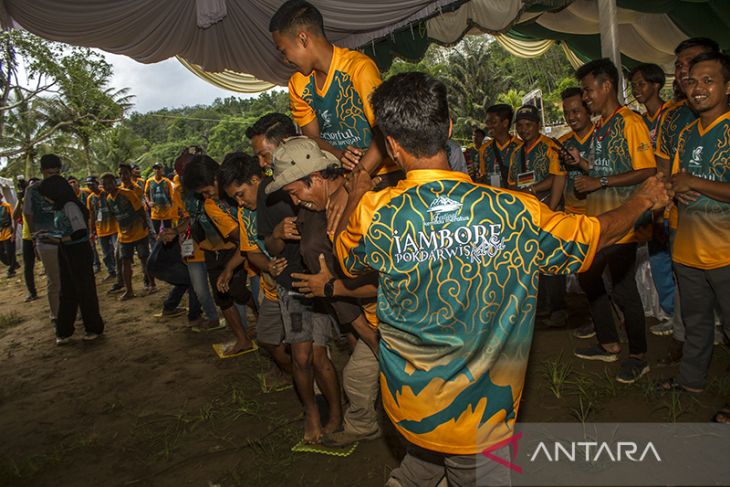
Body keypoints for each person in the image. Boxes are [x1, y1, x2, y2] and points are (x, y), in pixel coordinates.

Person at [333, 71, 670, 486]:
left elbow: (347, 262)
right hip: (482, 417)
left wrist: (355, 189)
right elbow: (593, 236)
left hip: (409, 404)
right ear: (450, 129)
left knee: (423, 461)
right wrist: (644, 200)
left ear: (392, 145)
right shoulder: (517, 212)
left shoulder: (375, 212)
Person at [273, 136, 382, 446]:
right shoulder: (312, 214)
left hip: (402, 311)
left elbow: (388, 277)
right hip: (372, 318)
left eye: (297, 192)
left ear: (317, 177)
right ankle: (364, 426)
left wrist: (357, 190)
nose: (296, 203)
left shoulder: (366, 194)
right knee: (356, 378)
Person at [247, 113, 340, 444]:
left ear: (287, 147)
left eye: (264, 155)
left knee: (323, 355)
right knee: (302, 356)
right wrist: (276, 234)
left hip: (330, 280)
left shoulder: (322, 179)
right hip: (294, 285)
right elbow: (268, 246)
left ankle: (340, 415)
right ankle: (312, 414)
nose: (261, 163)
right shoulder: (267, 192)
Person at [569, 58, 656, 384]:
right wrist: (585, 166)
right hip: (600, 221)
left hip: (624, 220)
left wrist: (600, 183)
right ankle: (608, 341)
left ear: (607, 86)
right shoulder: (602, 126)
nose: (586, 97)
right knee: (588, 276)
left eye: (589, 90)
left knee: (623, 290)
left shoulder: (629, 122)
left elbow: (647, 169)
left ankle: (639, 356)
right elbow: (604, 167)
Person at [658, 52, 730, 406]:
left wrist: (694, 183)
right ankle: (691, 383)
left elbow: (691, 180)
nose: (697, 88)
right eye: (692, 81)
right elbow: (674, 182)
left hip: (726, 253)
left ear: (728, 86)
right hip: (687, 251)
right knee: (697, 323)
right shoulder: (686, 133)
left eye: (708, 81)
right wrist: (675, 189)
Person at [652, 37, 720, 361]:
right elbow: (663, 170)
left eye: (690, 64)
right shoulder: (673, 118)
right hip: (685, 221)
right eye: (679, 67)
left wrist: (698, 183)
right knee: (689, 294)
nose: (683, 72)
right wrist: (669, 198)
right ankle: (687, 351)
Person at [218, 152, 292, 391]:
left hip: (295, 288)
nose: (239, 202)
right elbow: (250, 251)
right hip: (272, 286)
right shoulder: (245, 212)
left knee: (305, 343)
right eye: (234, 198)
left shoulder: (281, 198)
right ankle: (295, 375)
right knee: (268, 339)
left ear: (255, 180)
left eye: (240, 194)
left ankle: (312, 386)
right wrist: (268, 266)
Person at [180, 155, 255, 356]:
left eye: (207, 191)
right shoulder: (211, 205)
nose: (207, 196)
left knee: (240, 291)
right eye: (201, 194)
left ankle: (261, 314)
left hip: (242, 250)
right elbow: (244, 238)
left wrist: (230, 267)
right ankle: (242, 339)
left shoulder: (241, 186)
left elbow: (246, 239)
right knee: (222, 296)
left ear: (216, 176)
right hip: (215, 250)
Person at [509, 104, 569, 327]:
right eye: (520, 126)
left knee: (553, 262)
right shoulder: (517, 152)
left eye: (528, 125)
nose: (524, 130)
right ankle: (542, 306)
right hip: (527, 215)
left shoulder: (550, 147)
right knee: (534, 263)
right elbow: (513, 183)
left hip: (549, 208)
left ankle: (559, 308)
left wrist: (538, 195)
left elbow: (556, 178)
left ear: (538, 126)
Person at [37, 175, 104, 344]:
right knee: (67, 291)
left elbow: (80, 232)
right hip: (66, 250)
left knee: (84, 290)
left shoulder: (70, 205)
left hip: (78, 251)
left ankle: (93, 327)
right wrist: (49, 235)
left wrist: (57, 239)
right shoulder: (58, 207)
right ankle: (64, 330)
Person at [558, 87, 594, 339]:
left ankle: (621, 324)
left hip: (598, 214)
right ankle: (599, 321)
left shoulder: (601, 136)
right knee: (587, 277)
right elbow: (560, 178)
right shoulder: (563, 142)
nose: (571, 116)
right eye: (566, 112)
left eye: (576, 111)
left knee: (608, 277)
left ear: (588, 109)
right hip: (573, 216)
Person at [102, 173, 155, 300]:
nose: (107, 186)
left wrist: (146, 225)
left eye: (109, 183)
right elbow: (115, 216)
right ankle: (129, 290)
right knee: (125, 261)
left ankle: (152, 284)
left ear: (115, 182)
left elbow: (140, 210)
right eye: (104, 184)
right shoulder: (108, 199)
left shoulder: (128, 194)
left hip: (139, 232)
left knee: (144, 258)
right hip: (124, 236)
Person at [24, 154, 63, 325]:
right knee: (54, 280)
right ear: (42, 172)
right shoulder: (32, 190)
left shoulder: (64, 187)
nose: (52, 178)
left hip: (66, 239)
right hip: (46, 241)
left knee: (68, 278)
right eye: (49, 174)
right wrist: (34, 239)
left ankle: (70, 312)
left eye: (55, 174)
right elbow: (28, 214)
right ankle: (56, 317)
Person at [479, 103, 519, 187]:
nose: (489, 126)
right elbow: (482, 177)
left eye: (493, 122)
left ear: (505, 123)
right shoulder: (484, 149)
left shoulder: (520, 147)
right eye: (487, 122)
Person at [86, 176, 118, 281]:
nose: (90, 187)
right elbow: (91, 215)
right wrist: (91, 231)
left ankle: (119, 270)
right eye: (88, 185)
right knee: (106, 253)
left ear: (97, 183)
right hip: (101, 230)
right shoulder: (90, 198)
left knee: (117, 249)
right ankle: (111, 271)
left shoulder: (106, 193)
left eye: (92, 184)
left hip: (113, 227)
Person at [14, 177, 39, 301]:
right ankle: (32, 292)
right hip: (27, 237)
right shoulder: (24, 201)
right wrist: (19, 200)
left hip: (41, 236)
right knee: (28, 266)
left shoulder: (42, 200)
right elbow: (15, 216)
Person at [145, 163, 176, 234]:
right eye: (155, 168)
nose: (157, 170)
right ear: (153, 170)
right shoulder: (149, 182)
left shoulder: (166, 181)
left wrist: (173, 208)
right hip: (155, 212)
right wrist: (148, 202)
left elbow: (171, 196)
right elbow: (146, 194)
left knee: (168, 232)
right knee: (157, 233)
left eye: (159, 168)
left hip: (167, 211)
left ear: (162, 169)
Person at [0, 191, 18, 277]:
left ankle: (11, 270)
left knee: (10, 252)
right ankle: (14, 263)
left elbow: (13, 218)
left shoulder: (7, 206)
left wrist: (14, 234)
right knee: (1, 253)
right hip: (0, 235)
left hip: (8, 233)